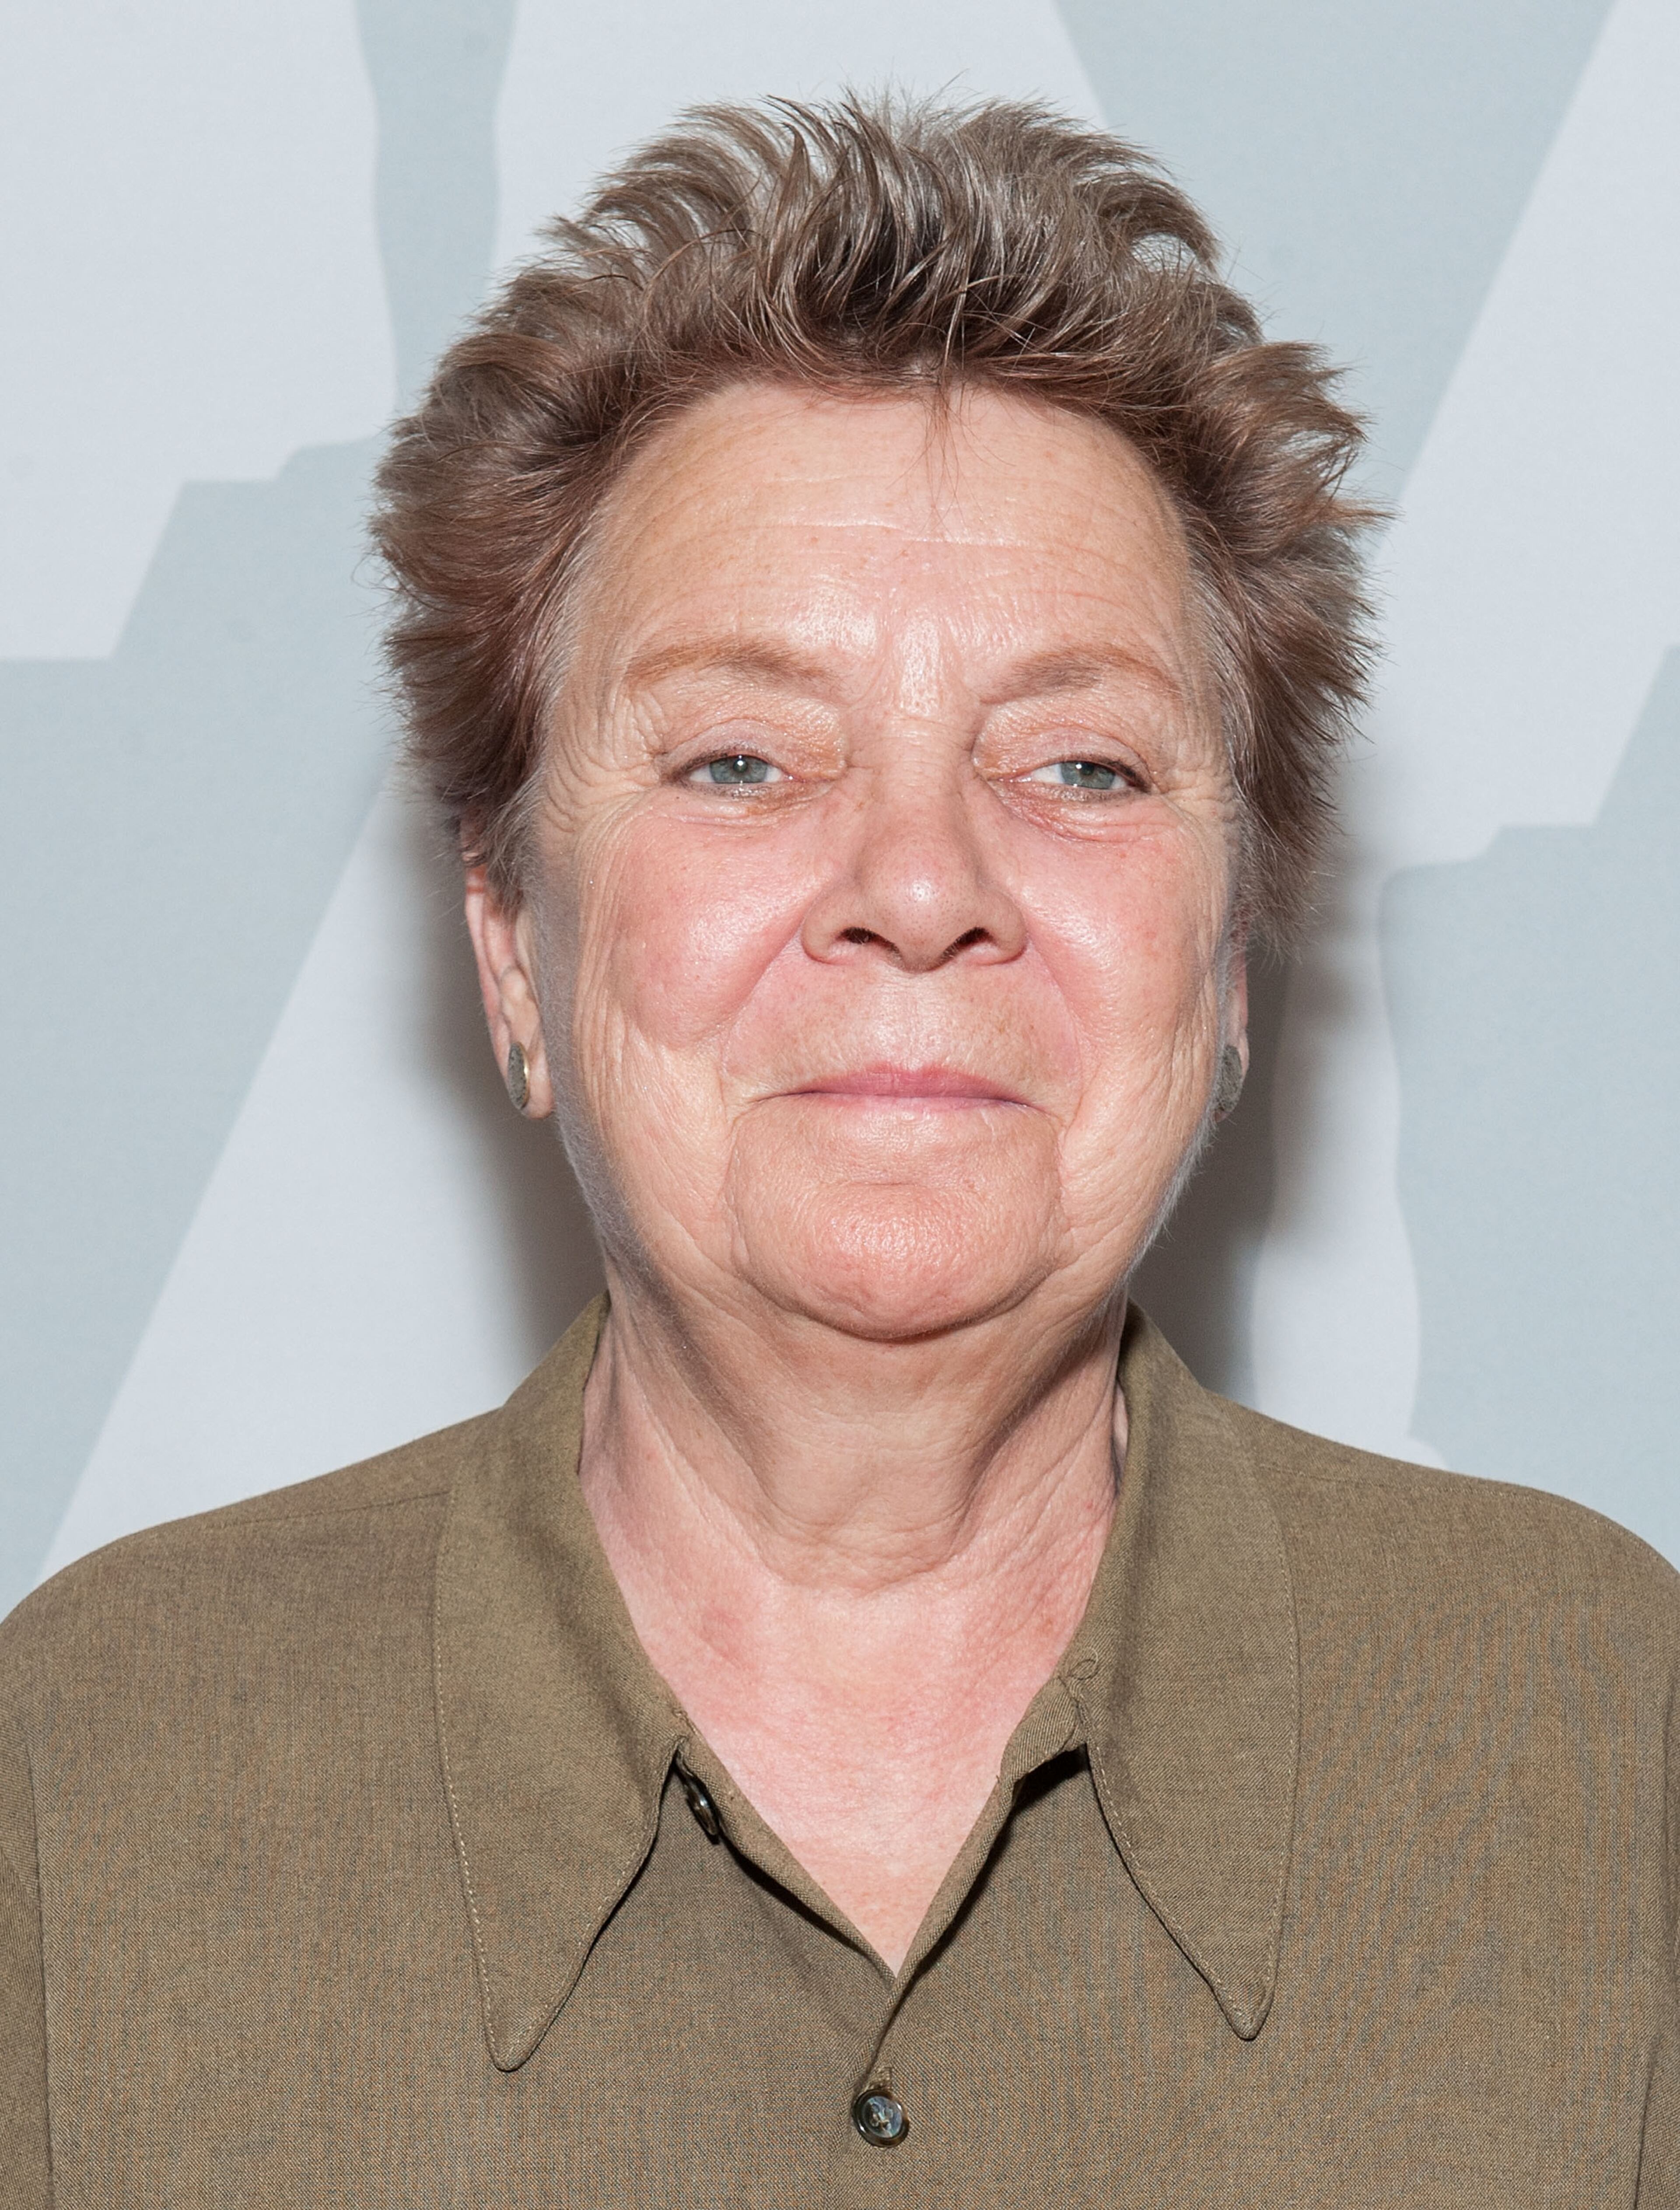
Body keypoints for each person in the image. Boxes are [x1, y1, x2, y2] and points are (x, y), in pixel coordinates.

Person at [3, 94, 1676, 2205]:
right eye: (740, 758)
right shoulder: (77, 1782)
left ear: (1235, 953)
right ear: (511, 942)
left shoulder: (1617, 1752)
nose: (916, 882)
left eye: (1079, 760)